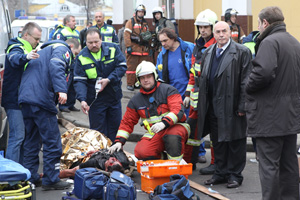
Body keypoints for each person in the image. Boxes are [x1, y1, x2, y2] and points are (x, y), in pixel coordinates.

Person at [245, 6, 300, 199]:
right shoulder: (294, 42)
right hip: (290, 117)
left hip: (269, 117)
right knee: (289, 165)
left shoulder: (269, 42)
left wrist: (248, 86)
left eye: (259, 24)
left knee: (269, 167)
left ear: (265, 23)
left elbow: (263, 72)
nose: (258, 28)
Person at [18, 38, 81, 190]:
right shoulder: (62, 48)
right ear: (71, 46)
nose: (73, 57)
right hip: (41, 100)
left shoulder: (43, 50)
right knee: (52, 141)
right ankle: (51, 179)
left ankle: (31, 177)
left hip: (26, 99)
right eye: (75, 53)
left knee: (32, 141)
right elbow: (57, 65)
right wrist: (62, 89)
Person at [197, 21, 252, 188]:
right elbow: (203, 79)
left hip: (233, 105)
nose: (221, 34)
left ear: (230, 33)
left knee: (236, 141)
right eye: (218, 31)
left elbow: (246, 81)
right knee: (217, 141)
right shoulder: (208, 51)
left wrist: (243, 106)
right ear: (213, 34)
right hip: (213, 104)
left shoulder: (242, 52)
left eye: (224, 31)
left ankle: (235, 175)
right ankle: (220, 173)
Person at [108, 61, 190, 161]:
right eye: (142, 77)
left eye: (148, 76)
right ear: (138, 80)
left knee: (173, 136)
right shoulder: (136, 100)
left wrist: (164, 123)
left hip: (176, 126)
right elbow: (127, 122)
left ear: (154, 76)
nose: (146, 80)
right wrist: (119, 142)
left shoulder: (168, 90)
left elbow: (178, 110)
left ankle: (176, 167)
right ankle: (165, 159)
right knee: (141, 152)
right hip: (155, 132)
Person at [73, 28, 127, 142]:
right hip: (95, 100)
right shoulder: (81, 57)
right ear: (85, 43)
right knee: (98, 134)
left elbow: (122, 66)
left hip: (113, 96)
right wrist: (82, 100)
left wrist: (109, 79)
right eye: (90, 43)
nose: (94, 45)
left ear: (101, 40)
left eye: (96, 41)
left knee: (115, 130)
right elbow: (79, 81)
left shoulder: (113, 48)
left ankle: (114, 156)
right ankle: (100, 157)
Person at [1, 22, 41, 164]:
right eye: (36, 39)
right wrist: (26, 57)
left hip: (23, 100)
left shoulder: (30, 47)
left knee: (23, 137)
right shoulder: (16, 45)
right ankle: (12, 176)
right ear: (26, 35)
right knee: (17, 137)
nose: (37, 42)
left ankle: (22, 172)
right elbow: (14, 57)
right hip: (14, 100)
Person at [182, 9, 217, 170]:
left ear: (212, 27)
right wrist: (188, 93)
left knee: (215, 131)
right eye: (200, 27)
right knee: (192, 132)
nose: (202, 30)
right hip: (196, 98)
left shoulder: (216, 46)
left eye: (206, 27)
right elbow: (193, 72)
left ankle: (215, 163)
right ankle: (190, 161)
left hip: (212, 96)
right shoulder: (198, 45)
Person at [156, 28, 194, 117]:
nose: (163, 44)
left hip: (190, 94)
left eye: (165, 40)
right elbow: (159, 77)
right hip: (173, 97)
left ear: (173, 38)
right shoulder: (161, 56)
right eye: (161, 41)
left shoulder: (189, 48)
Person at [53, 15, 81, 112]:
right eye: (73, 21)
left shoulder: (77, 32)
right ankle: (62, 105)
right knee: (65, 84)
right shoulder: (60, 32)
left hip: (75, 62)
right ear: (67, 22)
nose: (75, 22)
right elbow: (58, 46)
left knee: (73, 85)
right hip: (66, 62)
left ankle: (70, 104)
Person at [124, 4, 152, 91]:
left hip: (143, 50)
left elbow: (147, 37)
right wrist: (128, 46)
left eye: (142, 12)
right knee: (131, 68)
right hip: (133, 49)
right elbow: (126, 35)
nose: (141, 13)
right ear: (136, 12)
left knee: (141, 69)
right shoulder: (131, 22)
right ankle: (130, 84)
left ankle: (137, 83)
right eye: (139, 12)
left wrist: (149, 48)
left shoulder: (145, 23)